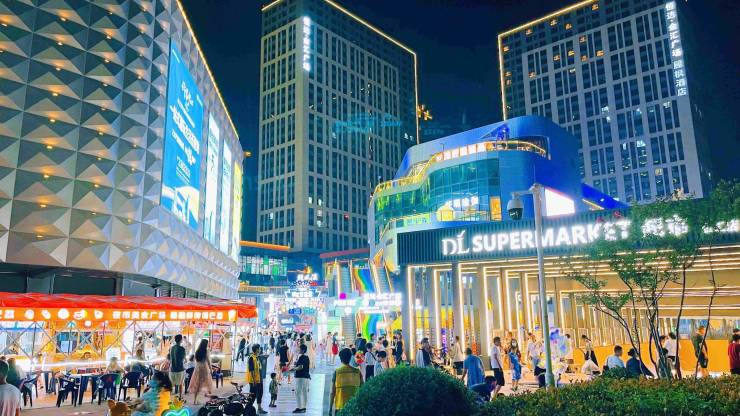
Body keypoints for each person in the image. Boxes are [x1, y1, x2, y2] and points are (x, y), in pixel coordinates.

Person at [329, 348, 362, 416]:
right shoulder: (357, 372)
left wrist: (330, 409)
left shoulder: (337, 372)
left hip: (340, 407)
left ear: (341, 359)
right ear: (350, 358)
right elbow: (363, 389)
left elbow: (332, 392)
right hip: (354, 407)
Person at [189, 339, 214, 405]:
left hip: (198, 368)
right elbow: (208, 361)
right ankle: (211, 400)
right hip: (204, 368)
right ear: (206, 344)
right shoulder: (206, 350)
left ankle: (195, 400)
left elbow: (196, 360)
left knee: (198, 384)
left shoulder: (197, 351)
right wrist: (211, 369)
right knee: (208, 383)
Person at [246, 344, 267, 414]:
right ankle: (248, 409)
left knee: (259, 393)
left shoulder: (256, 357)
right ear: (257, 349)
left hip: (259, 379)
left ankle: (259, 408)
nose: (260, 350)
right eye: (259, 348)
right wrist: (254, 380)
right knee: (253, 395)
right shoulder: (251, 358)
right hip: (254, 380)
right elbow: (251, 370)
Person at [293, 344, 311, 414]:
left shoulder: (302, 357)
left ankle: (300, 407)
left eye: (299, 349)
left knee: (298, 392)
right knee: (304, 392)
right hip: (305, 377)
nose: (298, 350)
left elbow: (300, 367)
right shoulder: (306, 357)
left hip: (300, 377)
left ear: (303, 350)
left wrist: (293, 369)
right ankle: (303, 407)